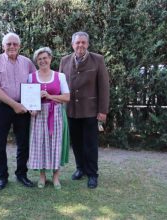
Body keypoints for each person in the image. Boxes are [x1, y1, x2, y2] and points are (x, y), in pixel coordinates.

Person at [59, 31, 110, 189]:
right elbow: (60, 85)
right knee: (77, 143)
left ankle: (92, 174)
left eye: (83, 42)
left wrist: (103, 110)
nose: (80, 45)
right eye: (77, 42)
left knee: (90, 144)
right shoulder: (64, 61)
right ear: (72, 44)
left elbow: (104, 87)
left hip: (90, 110)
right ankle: (80, 168)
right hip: (71, 110)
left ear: (87, 44)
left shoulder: (98, 60)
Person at [0, 32, 36, 190]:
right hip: (2, 108)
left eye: (15, 44)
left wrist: (33, 105)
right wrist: (14, 105)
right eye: (9, 44)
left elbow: (35, 83)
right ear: (3, 46)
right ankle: (2, 176)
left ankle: (22, 174)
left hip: (23, 108)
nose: (12, 46)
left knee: (23, 144)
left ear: (19, 46)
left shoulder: (27, 62)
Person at [27, 47, 70, 189]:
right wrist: (31, 109)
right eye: (39, 59)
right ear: (36, 62)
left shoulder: (59, 76)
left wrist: (50, 96)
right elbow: (28, 98)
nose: (42, 61)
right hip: (38, 115)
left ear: (50, 58)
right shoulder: (31, 77)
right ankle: (42, 176)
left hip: (55, 113)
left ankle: (56, 176)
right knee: (40, 144)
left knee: (55, 144)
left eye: (45, 58)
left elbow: (67, 97)